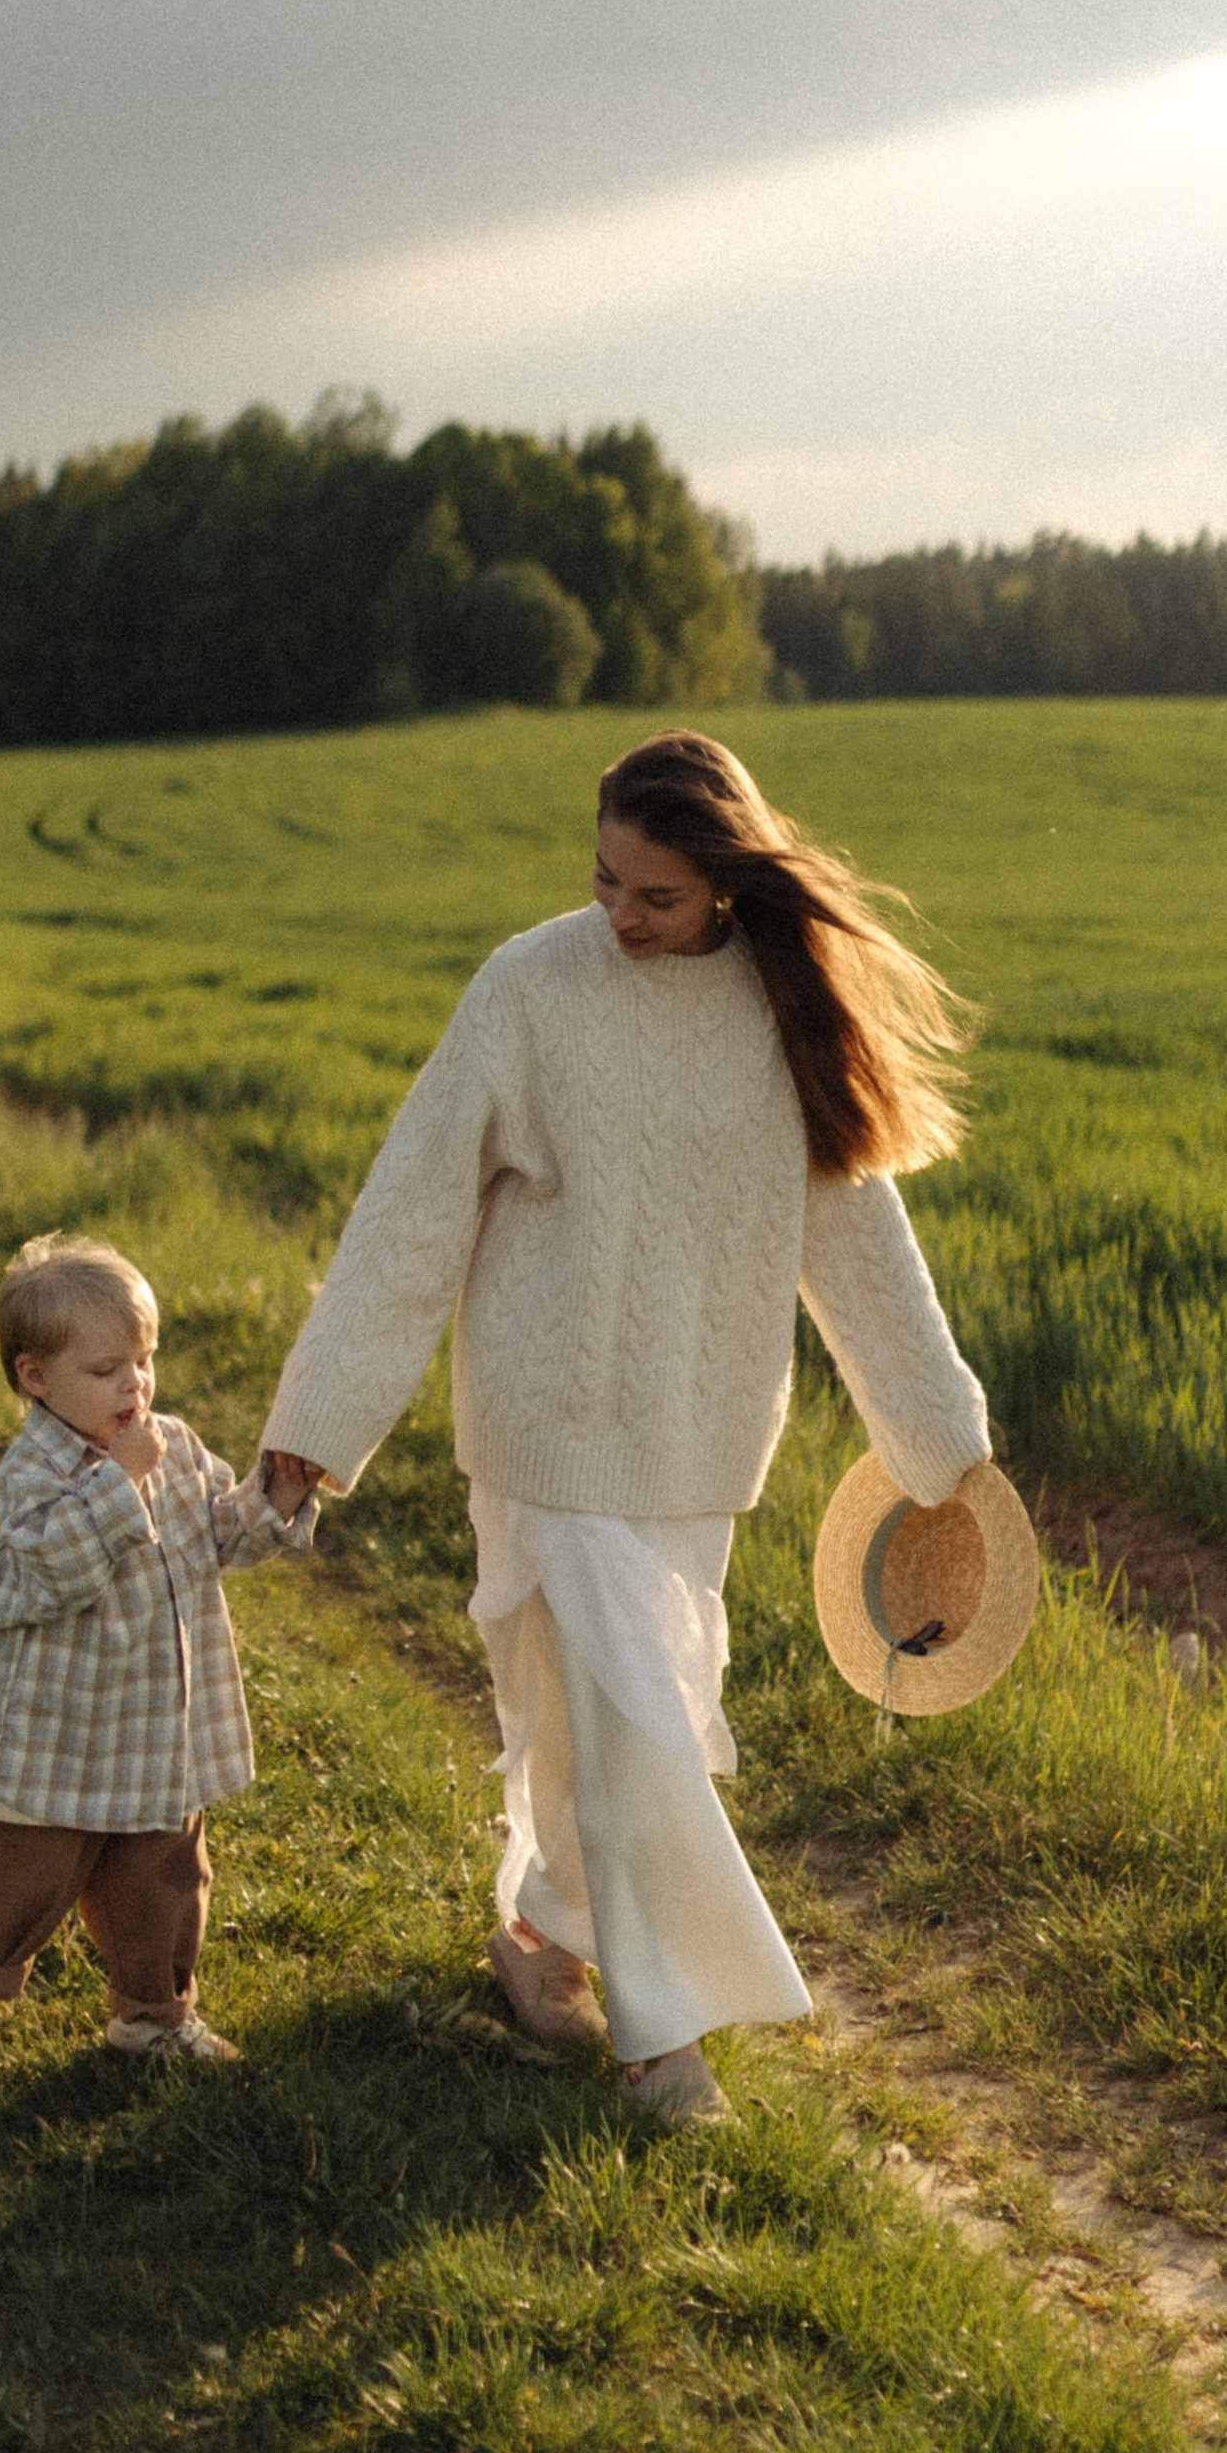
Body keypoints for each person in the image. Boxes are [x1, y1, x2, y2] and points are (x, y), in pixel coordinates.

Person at [259, 730, 988, 2126]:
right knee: (629, 1715)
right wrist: (323, 1416)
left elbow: (857, 1244)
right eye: (603, 880)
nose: (618, 915)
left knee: (600, 1715)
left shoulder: (785, 1012)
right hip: (545, 1419)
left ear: (723, 884)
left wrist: (938, 1443)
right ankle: (662, 2037)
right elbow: (411, 1209)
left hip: (699, 1436)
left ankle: (540, 1928)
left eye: (652, 895)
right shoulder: (528, 989)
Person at [0, 1230, 315, 2089]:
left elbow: (220, 1536)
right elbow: (58, 1565)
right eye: (106, 1370)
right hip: (58, 1735)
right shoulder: (37, 1470)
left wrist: (275, 1491)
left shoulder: (167, 1441)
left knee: (165, 1882)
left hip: (153, 1731)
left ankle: (152, 2014)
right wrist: (119, 1480)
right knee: (18, 1880)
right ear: (36, 1378)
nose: (133, 1383)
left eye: (143, 1360)